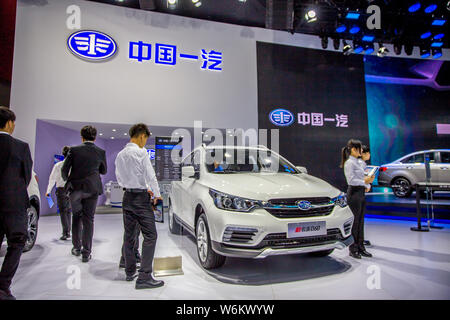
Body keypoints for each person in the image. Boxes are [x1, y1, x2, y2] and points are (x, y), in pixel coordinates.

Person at [115, 123, 164, 289]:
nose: (145, 143)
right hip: (141, 200)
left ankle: (129, 272)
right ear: (142, 135)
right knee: (150, 236)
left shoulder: (120, 155)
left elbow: (120, 178)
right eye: (145, 139)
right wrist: (156, 194)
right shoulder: (141, 152)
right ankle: (144, 277)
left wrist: (139, 187)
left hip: (127, 197)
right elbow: (151, 176)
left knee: (129, 236)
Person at [0, 106, 33, 300]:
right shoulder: (21, 147)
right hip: (13, 204)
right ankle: (3, 286)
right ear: (10, 123)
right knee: (17, 242)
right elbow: (26, 176)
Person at [62, 125, 107, 263]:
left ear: (82, 137)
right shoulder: (100, 152)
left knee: (76, 217)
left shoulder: (73, 150)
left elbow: (64, 170)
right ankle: (86, 253)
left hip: (75, 189)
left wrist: (68, 180)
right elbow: (104, 171)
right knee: (89, 219)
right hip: (92, 189)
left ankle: (76, 248)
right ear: (95, 137)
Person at [341, 139, 374, 259]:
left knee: (361, 222)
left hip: (361, 193)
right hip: (354, 194)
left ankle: (361, 247)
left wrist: (367, 185)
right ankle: (353, 249)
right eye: (360, 149)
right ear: (354, 150)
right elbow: (351, 180)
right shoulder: (349, 163)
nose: (362, 151)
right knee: (355, 223)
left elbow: (362, 178)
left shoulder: (358, 163)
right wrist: (364, 182)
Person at [46, 146, 72, 240]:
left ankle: (66, 232)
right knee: (68, 210)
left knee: (63, 211)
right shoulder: (73, 165)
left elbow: (52, 178)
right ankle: (68, 230)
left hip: (61, 189)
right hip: (71, 190)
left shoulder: (58, 165)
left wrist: (48, 191)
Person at [359, 145, 372, 248]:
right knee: (359, 219)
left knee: (360, 219)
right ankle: (359, 240)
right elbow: (361, 178)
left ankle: (361, 239)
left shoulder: (361, 163)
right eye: (368, 153)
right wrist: (367, 184)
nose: (369, 155)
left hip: (360, 192)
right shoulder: (360, 164)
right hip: (358, 192)